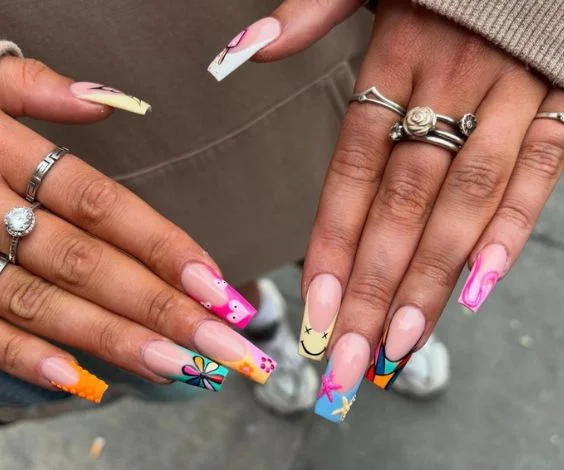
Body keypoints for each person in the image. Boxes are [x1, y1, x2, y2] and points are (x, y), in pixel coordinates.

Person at [0, 0, 561, 425]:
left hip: (286, 35)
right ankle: (258, 329)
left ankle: (377, 326)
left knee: (350, 196)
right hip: (61, 94)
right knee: (183, 249)